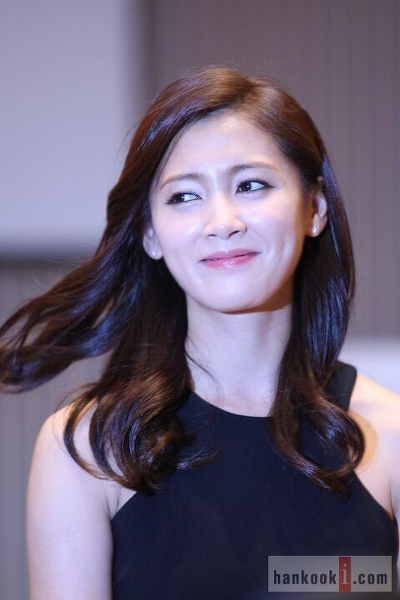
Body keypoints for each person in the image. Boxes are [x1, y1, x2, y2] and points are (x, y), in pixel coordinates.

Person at [0, 67, 399, 600]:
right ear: (150, 234)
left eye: (251, 185)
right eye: (184, 196)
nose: (222, 221)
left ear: (315, 209)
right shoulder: (90, 451)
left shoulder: (390, 439)